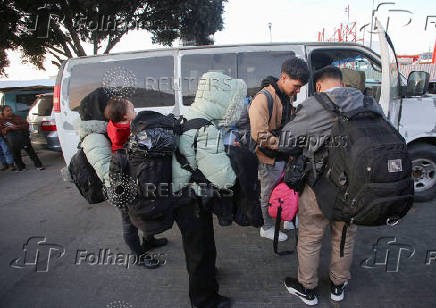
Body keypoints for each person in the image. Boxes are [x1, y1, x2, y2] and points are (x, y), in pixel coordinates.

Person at [278, 66, 384, 305]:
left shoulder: (316, 105)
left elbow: (287, 141)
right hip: (357, 186)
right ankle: (338, 285)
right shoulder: (367, 103)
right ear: (342, 83)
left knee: (311, 236)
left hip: (320, 185)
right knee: (344, 235)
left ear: (318, 85)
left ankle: (307, 288)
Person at [172, 71, 247, 308]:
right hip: (190, 199)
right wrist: (239, 166)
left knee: (199, 243)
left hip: (182, 194)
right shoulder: (207, 128)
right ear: (223, 99)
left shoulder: (190, 114)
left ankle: (208, 274)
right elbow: (223, 178)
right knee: (199, 249)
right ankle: (204, 300)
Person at [248, 57, 309, 241]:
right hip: (268, 157)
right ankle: (266, 226)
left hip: (283, 155)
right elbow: (259, 134)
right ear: (283, 77)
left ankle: (286, 218)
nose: (298, 91)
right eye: (296, 86)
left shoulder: (286, 96)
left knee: (288, 187)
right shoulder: (263, 98)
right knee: (268, 192)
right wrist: (285, 146)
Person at [103, 97, 168, 267]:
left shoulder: (117, 124)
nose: (136, 112)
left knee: (143, 212)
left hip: (131, 173)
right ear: (125, 116)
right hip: (124, 180)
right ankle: (138, 255)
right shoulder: (126, 130)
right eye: (132, 109)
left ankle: (149, 240)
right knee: (129, 220)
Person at [0, 105, 44, 171]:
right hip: (11, 140)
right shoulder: (2, 121)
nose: (10, 112)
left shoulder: (17, 117)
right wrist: (8, 128)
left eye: (10, 110)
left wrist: (17, 127)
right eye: (7, 111)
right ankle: (21, 167)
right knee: (16, 154)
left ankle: (38, 165)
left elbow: (26, 125)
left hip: (22, 138)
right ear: (3, 112)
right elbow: (2, 131)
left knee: (31, 152)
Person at [0, 106, 15, 171]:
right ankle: (4, 164)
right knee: (0, 152)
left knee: (6, 150)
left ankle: (11, 164)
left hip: (2, 136)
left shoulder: (2, 118)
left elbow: (8, 125)